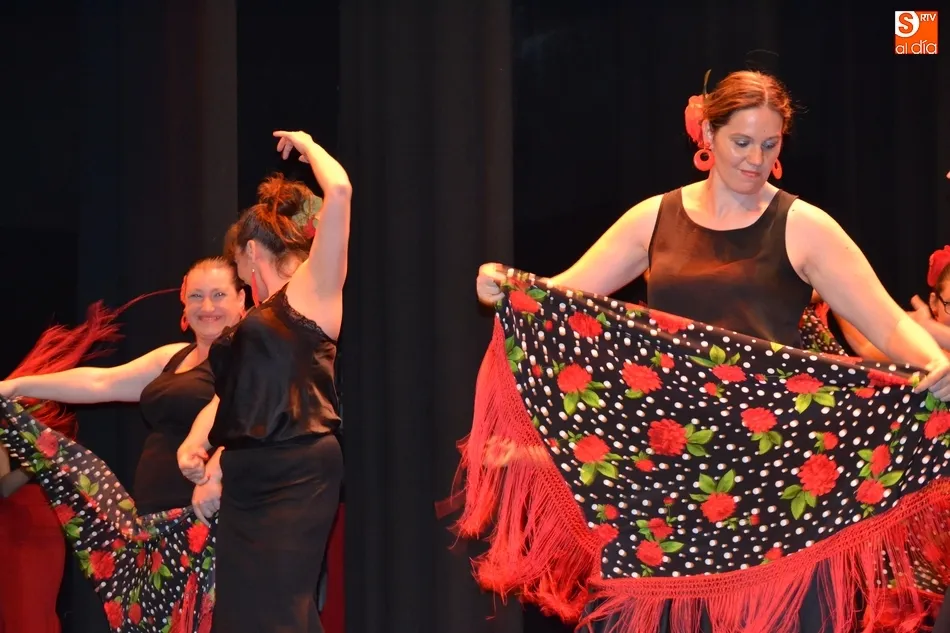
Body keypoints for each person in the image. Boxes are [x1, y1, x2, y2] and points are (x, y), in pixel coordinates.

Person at [471, 70, 950, 632]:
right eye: (741, 142)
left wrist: (936, 362)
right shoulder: (654, 218)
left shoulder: (804, 226)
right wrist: (504, 289)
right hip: (670, 479)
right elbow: (561, 298)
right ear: (707, 134)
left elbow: (887, 322)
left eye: (769, 144)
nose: (756, 159)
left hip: (775, 476)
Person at [177, 129, 350, 633]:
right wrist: (205, 450)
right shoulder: (257, 317)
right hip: (246, 475)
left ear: (251, 251)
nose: (238, 275)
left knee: (278, 610)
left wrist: (309, 145)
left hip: (297, 468)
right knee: (243, 613)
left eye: (236, 265)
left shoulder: (312, 291)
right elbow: (237, 400)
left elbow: (339, 191)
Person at [0, 256, 246, 515]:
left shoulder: (250, 360)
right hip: (155, 511)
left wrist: (214, 474)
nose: (207, 306)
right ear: (184, 302)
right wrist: (15, 387)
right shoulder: (173, 357)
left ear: (241, 299)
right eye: (196, 295)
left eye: (219, 294)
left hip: (213, 509)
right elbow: (100, 382)